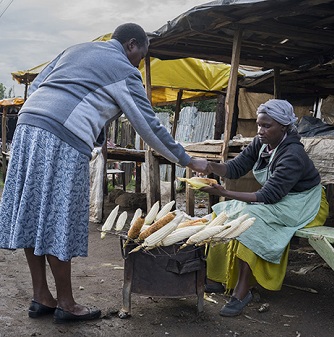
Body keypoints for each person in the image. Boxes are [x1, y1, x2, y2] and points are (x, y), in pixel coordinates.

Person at [0, 23, 207, 323]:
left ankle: (41, 296)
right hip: (63, 137)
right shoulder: (124, 70)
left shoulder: (76, 49)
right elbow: (148, 125)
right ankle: (67, 304)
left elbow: (40, 83)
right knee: (60, 219)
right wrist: (187, 159)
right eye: (141, 56)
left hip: (27, 126)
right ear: (131, 45)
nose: (139, 64)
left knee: (34, 214)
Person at [201, 99, 329, 317]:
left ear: (284, 127)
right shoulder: (261, 143)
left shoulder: (293, 155)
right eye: (259, 125)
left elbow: (267, 196)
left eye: (266, 126)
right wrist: (209, 166)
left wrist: (224, 192)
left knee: (250, 219)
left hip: (305, 203)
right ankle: (219, 278)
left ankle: (243, 289)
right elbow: (235, 168)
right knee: (223, 212)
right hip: (280, 198)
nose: (260, 131)